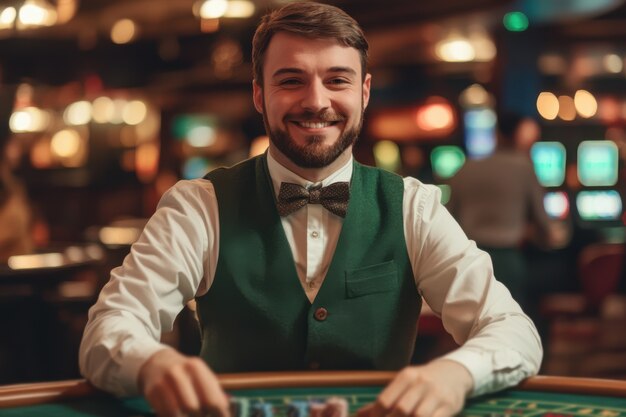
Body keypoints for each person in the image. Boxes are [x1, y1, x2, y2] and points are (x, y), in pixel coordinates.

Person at [79, 3, 542, 417]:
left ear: (363, 92)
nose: (316, 101)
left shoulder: (413, 207)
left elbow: (513, 331)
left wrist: (454, 375)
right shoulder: (198, 205)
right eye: (291, 80)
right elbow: (108, 328)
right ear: (260, 94)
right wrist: (151, 363)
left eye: (336, 80)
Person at [447, 112, 565, 308]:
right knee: (509, 322)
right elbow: (543, 222)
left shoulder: (465, 168)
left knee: (472, 323)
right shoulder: (523, 167)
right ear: (518, 136)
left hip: (468, 261)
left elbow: (448, 220)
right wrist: (549, 238)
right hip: (508, 259)